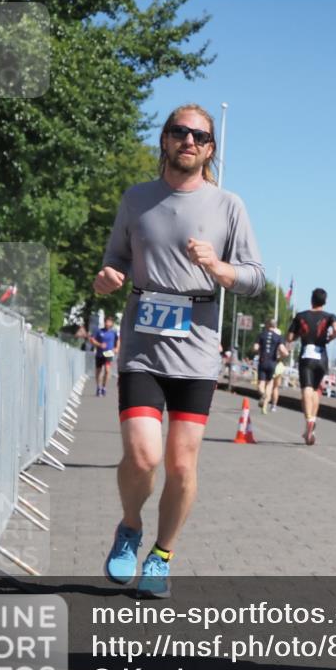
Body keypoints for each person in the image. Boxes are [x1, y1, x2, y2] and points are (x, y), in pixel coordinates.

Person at [93, 103, 265, 598]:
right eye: (179, 132)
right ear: (165, 141)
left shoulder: (228, 205)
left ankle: (162, 554)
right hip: (143, 347)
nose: (188, 141)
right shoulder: (137, 199)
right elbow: (112, 263)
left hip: (196, 352)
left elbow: (254, 276)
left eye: (199, 136)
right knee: (143, 456)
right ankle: (129, 528)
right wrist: (106, 279)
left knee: (182, 465)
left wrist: (221, 268)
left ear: (210, 150)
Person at [286, 288, 336, 445]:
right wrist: (330, 337)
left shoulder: (301, 316)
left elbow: (289, 337)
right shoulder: (329, 316)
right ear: (325, 301)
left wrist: (298, 334)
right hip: (322, 358)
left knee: (306, 391)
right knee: (316, 390)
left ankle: (309, 420)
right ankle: (312, 425)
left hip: (306, 357)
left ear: (311, 299)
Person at [253, 319, 288, 413]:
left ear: (267, 325)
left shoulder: (261, 335)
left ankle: (262, 394)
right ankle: (265, 406)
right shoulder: (278, 337)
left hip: (263, 361)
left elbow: (255, 348)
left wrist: (260, 351)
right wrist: (280, 357)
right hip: (273, 363)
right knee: (270, 384)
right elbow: (284, 352)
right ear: (275, 326)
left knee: (261, 384)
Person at [90, 317, 120, 396]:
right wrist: (99, 344)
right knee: (98, 371)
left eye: (109, 322)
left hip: (108, 353)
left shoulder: (113, 332)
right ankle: (98, 387)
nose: (107, 323)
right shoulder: (99, 331)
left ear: (112, 323)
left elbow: (118, 340)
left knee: (107, 371)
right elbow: (92, 339)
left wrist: (117, 348)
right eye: (106, 322)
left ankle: (104, 387)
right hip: (100, 353)